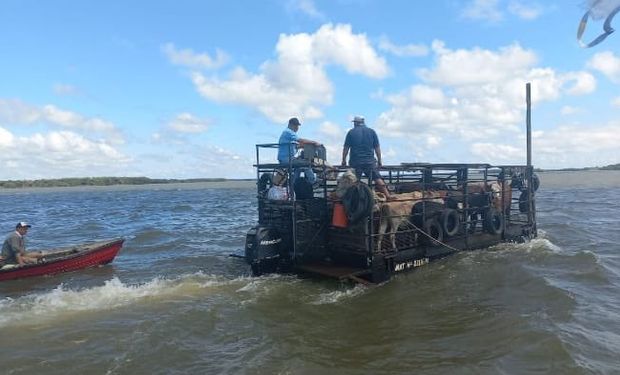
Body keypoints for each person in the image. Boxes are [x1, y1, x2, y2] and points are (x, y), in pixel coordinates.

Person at [341, 116, 391, 199]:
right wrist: (379, 161)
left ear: (356, 123)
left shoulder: (351, 132)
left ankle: (354, 199)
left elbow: (346, 148)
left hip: (355, 161)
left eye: (354, 123)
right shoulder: (372, 132)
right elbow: (377, 148)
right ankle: (388, 195)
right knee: (377, 178)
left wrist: (343, 160)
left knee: (354, 181)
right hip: (369, 161)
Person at [277, 117, 321, 186]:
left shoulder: (287, 133)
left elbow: (296, 145)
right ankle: (313, 181)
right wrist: (314, 143)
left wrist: (304, 146)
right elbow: (300, 140)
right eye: (296, 125)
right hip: (287, 159)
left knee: (298, 167)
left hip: (288, 158)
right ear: (291, 125)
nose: (297, 127)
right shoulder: (288, 132)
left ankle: (293, 183)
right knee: (305, 163)